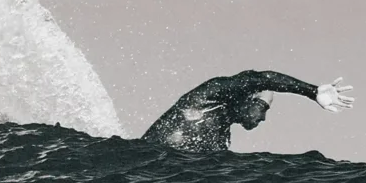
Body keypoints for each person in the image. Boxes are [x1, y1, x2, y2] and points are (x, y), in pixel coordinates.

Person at [141, 70, 354, 152]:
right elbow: (262, 78)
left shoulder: (221, 138)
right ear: (247, 98)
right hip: (141, 166)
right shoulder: (210, 94)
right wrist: (312, 91)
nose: (262, 117)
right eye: (263, 107)